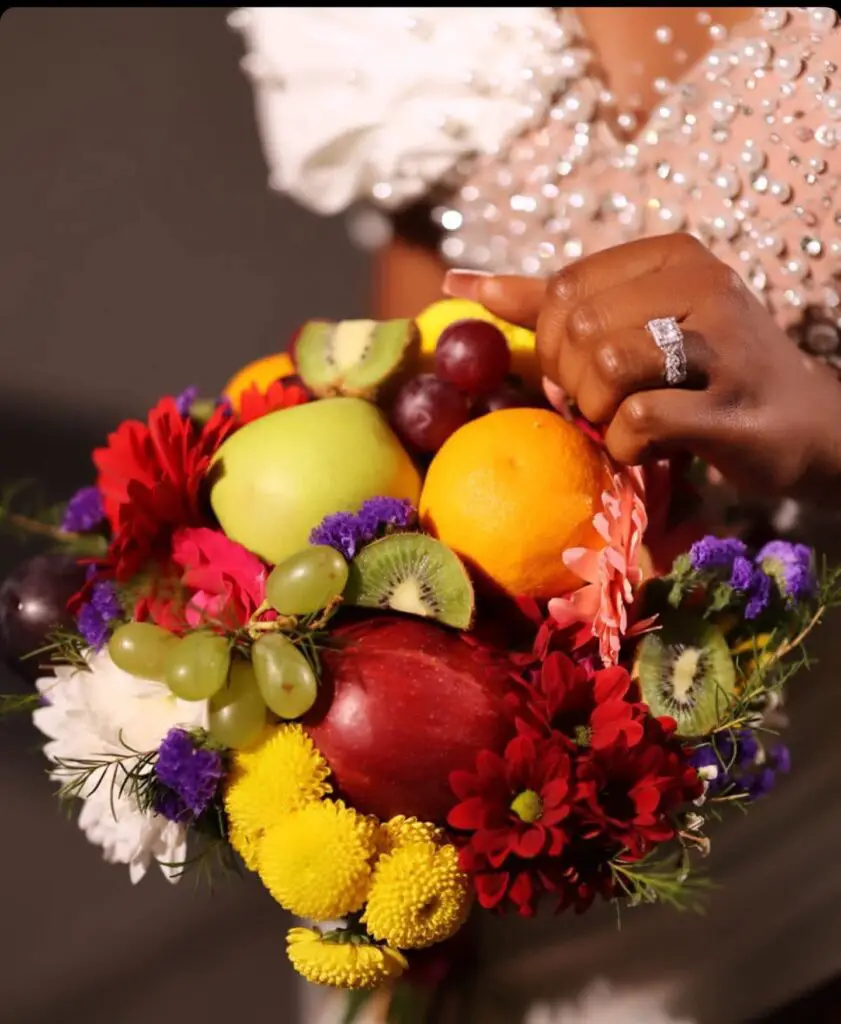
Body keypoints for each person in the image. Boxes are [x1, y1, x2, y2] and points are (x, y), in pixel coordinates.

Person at [228, 8, 841, 1023]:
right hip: (467, 860)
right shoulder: (402, 31)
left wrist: (822, 433)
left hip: (783, 876)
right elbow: (412, 392)